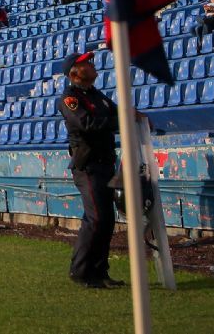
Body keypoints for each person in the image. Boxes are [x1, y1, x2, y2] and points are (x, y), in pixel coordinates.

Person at [57, 51, 123, 288]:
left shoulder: (96, 95)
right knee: (97, 218)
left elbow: (115, 113)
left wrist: (128, 115)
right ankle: (82, 272)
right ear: (75, 72)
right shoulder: (69, 98)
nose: (93, 65)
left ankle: (99, 271)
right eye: (87, 63)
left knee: (104, 220)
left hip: (105, 163)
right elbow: (87, 124)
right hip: (88, 166)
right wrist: (120, 120)